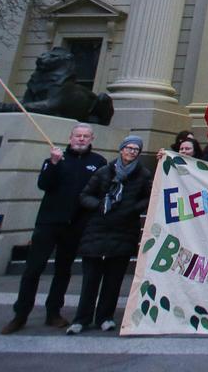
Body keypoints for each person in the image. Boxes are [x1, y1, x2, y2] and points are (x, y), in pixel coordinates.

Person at [2, 124, 107, 335]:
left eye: (86, 136)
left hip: (76, 224)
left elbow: (101, 190)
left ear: (92, 138)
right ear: (70, 137)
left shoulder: (98, 162)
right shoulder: (55, 159)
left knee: (63, 270)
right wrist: (53, 163)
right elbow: (44, 185)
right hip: (49, 222)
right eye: (78, 136)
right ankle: (21, 314)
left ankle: (53, 312)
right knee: (33, 269)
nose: (81, 139)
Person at [66, 134, 152, 334]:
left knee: (113, 280)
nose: (131, 152)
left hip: (123, 230)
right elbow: (85, 195)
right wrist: (99, 206)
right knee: (90, 280)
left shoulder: (143, 174)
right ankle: (82, 318)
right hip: (98, 230)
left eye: (135, 149)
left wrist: (131, 208)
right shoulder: (104, 171)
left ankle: (105, 317)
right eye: (128, 148)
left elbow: (149, 197)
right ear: (121, 149)